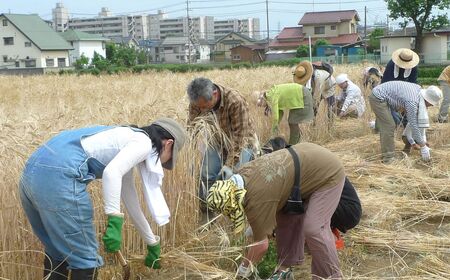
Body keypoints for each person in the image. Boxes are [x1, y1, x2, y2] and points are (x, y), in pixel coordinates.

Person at [19, 118, 186, 280]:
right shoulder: (143, 143)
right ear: (169, 143)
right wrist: (114, 224)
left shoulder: (125, 138)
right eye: (170, 157)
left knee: (58, 251)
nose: (166, 162)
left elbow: (130, 200)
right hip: (58, 178)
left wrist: (151, 242)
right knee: (85, 261)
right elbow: (111, 173)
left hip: (30, 176)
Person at [207, 142, 346, 280]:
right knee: (285, 216)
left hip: (328, 173)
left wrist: (243, 270)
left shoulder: (258, 198)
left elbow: (261, 245)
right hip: (309, 159)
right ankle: (284, 271)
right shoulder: (242, 175)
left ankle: (332, 276)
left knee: (314, 228)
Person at [187, 77, 258, 202]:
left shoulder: (235, 101)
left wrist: (229, 165)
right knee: (207, 174)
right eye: (200, 107)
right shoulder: (197, 101)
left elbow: (240, 137)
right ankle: (210, 206)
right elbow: (192, 126)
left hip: (242, 141)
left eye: (205, 107)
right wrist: (189, 156)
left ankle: (236, 208)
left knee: (236, 177)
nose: (202, 110)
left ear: (215, 94)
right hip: (216, 138)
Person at [369, 81, 442, 163]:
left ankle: (379, 131)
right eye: (431, 104)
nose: (432, 106)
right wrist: (423, 146)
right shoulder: (412, 102)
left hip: (383, 95)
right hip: (378, 97)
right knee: (389, 126)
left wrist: (422, 141)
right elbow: (413, 125)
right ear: (427, 100)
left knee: (387, 123)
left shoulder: (418, 90)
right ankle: (388, 158)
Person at [381, 48, 420, 127]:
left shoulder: (414, 67)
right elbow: (387, 83)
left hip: (405, 89)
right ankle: (396, 125)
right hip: (389, 90)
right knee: (391, 110)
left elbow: (413, 83)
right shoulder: (391, 65)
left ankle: (407, 125)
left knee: (411, 105)